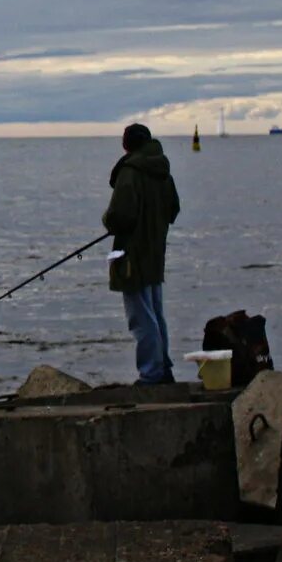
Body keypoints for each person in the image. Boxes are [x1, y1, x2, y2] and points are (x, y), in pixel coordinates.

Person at [103, 122, 181, 384]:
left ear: (126, 145)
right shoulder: (163, 171)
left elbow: (119, 216)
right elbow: (173, 210)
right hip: (155, 253)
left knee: (140, 317)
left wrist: (108, 221)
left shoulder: (130, 172)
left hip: (132, 255)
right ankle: (163, 368)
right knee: (156, 313)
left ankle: (150, 373)